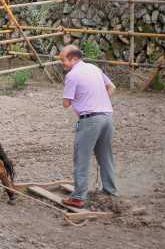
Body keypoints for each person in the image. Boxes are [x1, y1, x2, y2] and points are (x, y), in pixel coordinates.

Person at [58, 44, 118, 208]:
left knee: (81, 158)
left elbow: (65, 103)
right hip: (106, 117)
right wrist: (99, 99)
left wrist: (84, 100)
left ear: (73, 58)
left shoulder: (72, 75)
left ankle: (78, 197)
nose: (62, 63)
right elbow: (112, 87)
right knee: (105, 156)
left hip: (89, 120)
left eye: (63, 60)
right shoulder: (94, 68)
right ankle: (110, 191)